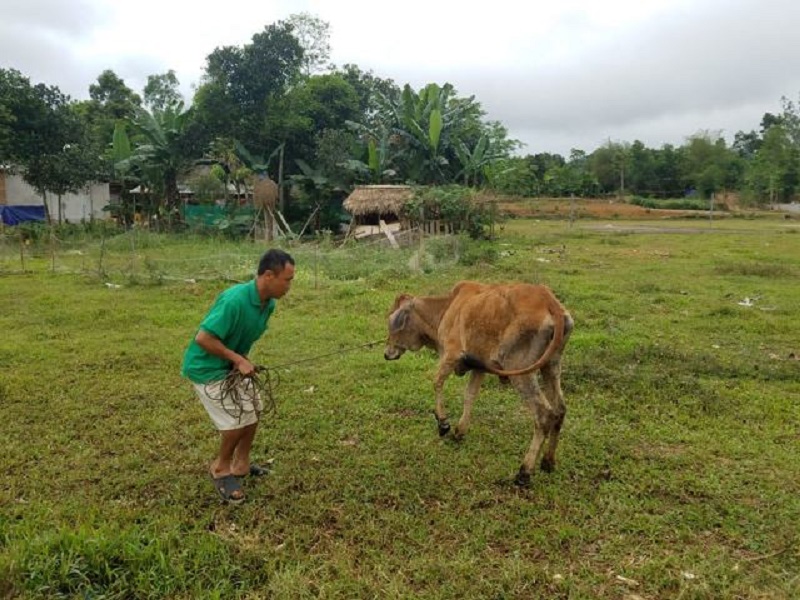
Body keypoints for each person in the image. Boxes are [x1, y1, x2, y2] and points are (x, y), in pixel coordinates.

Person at [181, 249, 295, 504]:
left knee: (253, 409)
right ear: (268, 275)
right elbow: (203, 338)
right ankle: (220, 468)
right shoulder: (234, 300)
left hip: (230, 367)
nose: (290, 285)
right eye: (287, 279)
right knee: (234, 421)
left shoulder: (269, 304)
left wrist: (240, 360)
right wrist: (238, 359)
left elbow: (241, 336)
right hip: (206, 368)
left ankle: (241, 464)